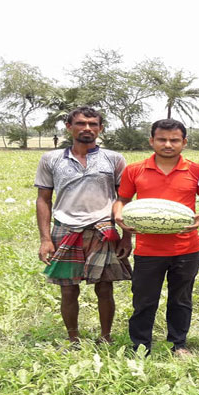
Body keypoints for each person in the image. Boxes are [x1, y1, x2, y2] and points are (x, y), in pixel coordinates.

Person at [113, 118, 199, 356]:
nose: (168, 144)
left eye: (174, 140)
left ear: (184, 142)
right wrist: (119, 216)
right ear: (152, 141)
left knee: (181, 300)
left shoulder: (196, 170)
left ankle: (178, 344)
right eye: (162, 139)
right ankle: (140, 346)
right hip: (148, 250)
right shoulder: (135, 170)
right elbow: (123, 200)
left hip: (187, 248)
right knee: (144, 301)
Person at [35, 106, 132, 345]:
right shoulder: (52, 159)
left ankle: (106, 337)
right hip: (65, 229)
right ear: (69, 127)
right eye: (80, 123)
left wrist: (127, 236)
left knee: (105, 288)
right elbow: (43, 199)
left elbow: (124, 198)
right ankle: (73, 338)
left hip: (103, 229)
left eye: (92, 124)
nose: (87, 128)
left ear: (100, 129)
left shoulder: (114, 159)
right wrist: (45, 239)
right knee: (68, 290)